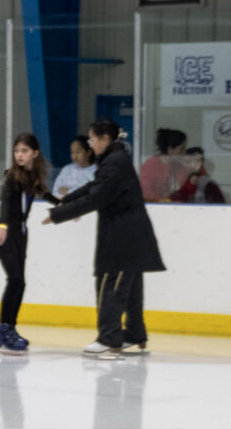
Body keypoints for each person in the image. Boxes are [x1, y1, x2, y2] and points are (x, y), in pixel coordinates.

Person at [43, 118, 165, 358]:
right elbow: (93, 187)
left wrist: (58, 214)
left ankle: (109, 340)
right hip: (130, 235)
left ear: (104, 139)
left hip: (122, 238)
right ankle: (134, 335)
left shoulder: (114, 162)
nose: (90, 144)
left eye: (92, 139)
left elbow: (96, 197)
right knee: (129, 288)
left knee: (111, 286)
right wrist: (64, 200)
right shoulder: (113, 159)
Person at [0, 132, 58, 354]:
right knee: (15, 280)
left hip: (20, 234)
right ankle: (4, 330)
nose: (19, 155)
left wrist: (63, 205)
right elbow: (5, 202)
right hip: (6, 231)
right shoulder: (12, 176)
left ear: (35, 153)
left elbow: (44, 193)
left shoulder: (32, 176)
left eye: (24, 151)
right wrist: (1, 224)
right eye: (17, 151)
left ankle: (9, 329)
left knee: (20, 282)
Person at [139, 126, 188, 202]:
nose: (184, 153)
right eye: (181, 149)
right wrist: (163, 200)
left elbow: (183, 189)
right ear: (170, 149)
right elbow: (145, 192)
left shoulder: (178, 166)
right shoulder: (151, 165)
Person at [52, 134, 97, 198]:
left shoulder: (96, 171)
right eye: (72, 152)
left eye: (78, 152)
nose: (74, 156)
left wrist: (69, 191)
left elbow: (92, 194)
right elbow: (56, 191)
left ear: (89, 152)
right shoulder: (67, 169)